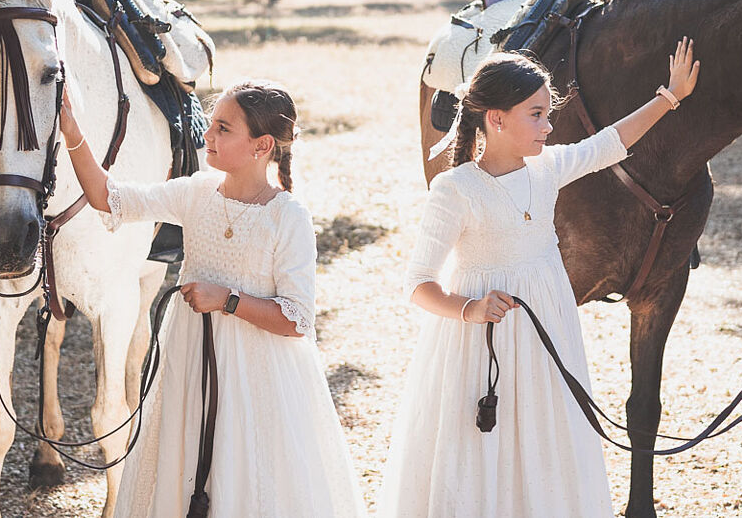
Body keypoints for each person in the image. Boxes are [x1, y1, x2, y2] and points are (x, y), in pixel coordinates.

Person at [378, 39, 700, 517]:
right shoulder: (455, 190)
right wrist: (470, 309)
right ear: (496, 118)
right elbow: (418, 283)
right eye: (536, 115)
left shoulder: (546, 168)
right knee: (483, 444)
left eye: (548, 114)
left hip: (548, 331)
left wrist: (669, 97)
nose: (548, 126)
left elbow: (610, 142)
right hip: (479, 343)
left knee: (543, 436)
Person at [59, 79, 365, 518]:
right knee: (186, 466)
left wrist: (228, 300)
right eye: (211, 123)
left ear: (261, 146)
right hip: (192, 363)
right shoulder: (197, 192)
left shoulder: (288, 217)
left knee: (247, 477)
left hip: (260, 377)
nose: (208, 135)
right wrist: (72, 132)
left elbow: (297, 319)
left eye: (223, 128)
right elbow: (108, 198)